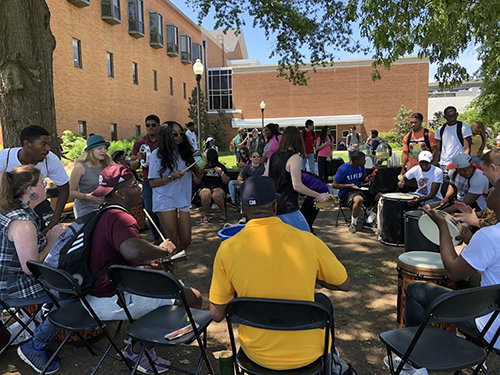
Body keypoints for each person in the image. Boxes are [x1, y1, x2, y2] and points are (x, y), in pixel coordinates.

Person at [209, 175, 350, 371]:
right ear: (275, 207)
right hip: (309, 356)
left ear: (242, 209)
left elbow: (216, 314)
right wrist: (315, 276)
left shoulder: (227, 249)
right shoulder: (308, 240)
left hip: (255, 356)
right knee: (323, 302)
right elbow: (345, 284)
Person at [85, 164, 203, 374]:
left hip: (93, 292)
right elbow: (133, 252)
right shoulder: (120, 218)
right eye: (133, 185)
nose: (139, 187)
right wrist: (162, 250)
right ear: (120, 194)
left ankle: (138, 337)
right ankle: (137, 349)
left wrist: (146, 262)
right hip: (108, 298)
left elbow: (120, 256)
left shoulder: (102, 213)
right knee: (192, 298)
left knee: (166, 283)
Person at [400, 152, 500, 373]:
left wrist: (443, 227)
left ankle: (414, 363)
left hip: (491, 329)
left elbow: (454, 271)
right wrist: (466, 235)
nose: (490, 189)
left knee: (417, 290)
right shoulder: (489, 236)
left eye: (495, 188)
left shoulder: (491, 235)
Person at [0, 165, 64, 374]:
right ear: (30, 190)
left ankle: (35, 324)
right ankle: (36, 346)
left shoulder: (7, 210)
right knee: (72, 291)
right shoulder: (22, 222)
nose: (45, 186)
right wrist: (52, 242)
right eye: (42, 183)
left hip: (5, 280)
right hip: (12, 287)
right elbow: (31, 268)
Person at [0, 125, 70, 234]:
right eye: (43, 144)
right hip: (7, 203)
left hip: (37, 203)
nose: (48, 149)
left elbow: (64, 188)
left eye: (48, 144)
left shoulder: (51, 159)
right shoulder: (4, 158)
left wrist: (54, 221)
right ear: (27, 144)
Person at [148, 122, 201, 263]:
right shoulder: (156, 155)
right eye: (175, 134)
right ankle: (172, 272)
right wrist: (171, 177)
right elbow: (152, 182)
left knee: (186, 240)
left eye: (181, 133)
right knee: (172, 240)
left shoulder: (186, 153)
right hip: (164, 199)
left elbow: (197, 179)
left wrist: (201, 172)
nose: (179, 137)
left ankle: (163, 261)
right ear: (166, 136)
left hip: (183, 199)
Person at [265, 126, 329, 232]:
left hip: (274, 207)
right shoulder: (293, 157)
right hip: (288, 207)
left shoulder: (273, 156)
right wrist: (319, 195)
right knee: (306, 236)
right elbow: (297, 185)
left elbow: (265, 178)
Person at [131, 114, 164, 244]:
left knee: (163, 210)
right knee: (150, 211)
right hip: (147, 182)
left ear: (158, 126)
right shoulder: (140, 143)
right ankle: (156, 237)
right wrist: (138, 158)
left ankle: (165, 238)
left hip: (163, 182)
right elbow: (133, 165)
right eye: (148, 125)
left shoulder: (163, 141)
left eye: (153, 125)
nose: (150, 128)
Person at [332, 151, 377, 233]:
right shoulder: (343, 169)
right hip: (346, 192)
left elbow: (363, 179)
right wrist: (349, 185)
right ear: (356, 161)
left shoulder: (361, 167)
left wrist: (368, 178)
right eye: (363, 159)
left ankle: (369, 220)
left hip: (358, 190)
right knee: (359, 199)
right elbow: (334, 185)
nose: (365, 161)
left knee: (380, 196)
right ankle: (353, 223)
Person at [69, 135, 112, 218]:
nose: (103, 151)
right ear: (91, 150)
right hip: (85, 210)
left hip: (103, 207)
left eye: (105, 148)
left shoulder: (106, 164)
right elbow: (71, 192)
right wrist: (88, 196)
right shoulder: (80, 167)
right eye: (99, 149)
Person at [433, 106, 472, 179]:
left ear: (457, 114)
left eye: (454, 115)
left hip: (457, 165)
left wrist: (463, 165)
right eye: (449, 116)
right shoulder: (440, 129)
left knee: (456, 187)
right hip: (443, 164)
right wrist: (434, 165)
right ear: (445, 117)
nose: (452, 118)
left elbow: (467, 149)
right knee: (443, 187)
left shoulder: (464, 128)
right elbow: (438, 150)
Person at [400, 113, 437, 177]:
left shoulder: (429, 134)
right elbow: (405, 153)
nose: (413, 125)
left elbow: (435, 150)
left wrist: (433, 164)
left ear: (421, 122)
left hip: (426, 170)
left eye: (415, 122)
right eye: (411, 123)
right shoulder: (407, 136)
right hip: (411, 170)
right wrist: (403, 168)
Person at [198, 149, 230, 223]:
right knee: (205, 194)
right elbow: (197, 181)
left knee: (217, 195)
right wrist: (200, 173)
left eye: (205, 153)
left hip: (219, 186)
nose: (204, 155)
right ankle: (206, 214)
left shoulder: (220, 166)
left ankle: (223, 213)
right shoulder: (203, 167)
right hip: (205, 186)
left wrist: (221, 173)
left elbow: (226, 181)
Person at [235, 150, 265, 223]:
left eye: (258, 156)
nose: (256, 158)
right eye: (254, 156)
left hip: (260, 189)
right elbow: (238, 181)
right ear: (251, 158)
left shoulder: (264, 168)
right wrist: (248, 184)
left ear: (260, 158)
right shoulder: (246, 168)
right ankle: (245, 216)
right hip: (249, 189)